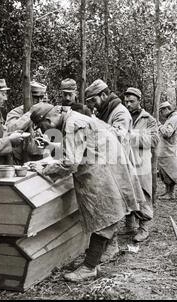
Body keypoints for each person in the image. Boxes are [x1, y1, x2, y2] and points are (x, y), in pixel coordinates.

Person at [28, 102, 144, 282]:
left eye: (43, 127)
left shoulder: (73, 123)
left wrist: (43, 168)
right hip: (107, 168)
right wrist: (51, 148)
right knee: (108, 215)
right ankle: (99, 257)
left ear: (48, 119)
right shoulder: (75, 118)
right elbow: (79, 149)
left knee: (103, 216)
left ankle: (90, 267)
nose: (44, 131)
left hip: (103, 172)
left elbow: (71, 163)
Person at [85, 79, 145, 257]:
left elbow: (117, 137)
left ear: (103, 95)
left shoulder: (120, 113)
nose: (92, 106)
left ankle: (112, 246)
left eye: (93, 101)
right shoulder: (105, 110)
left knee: (113, 206)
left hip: (118, 166)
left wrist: (94, 122)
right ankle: (110, 245)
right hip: (106, 165)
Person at [124, 87, 159, 242]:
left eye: (132, 101)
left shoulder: (148, 119)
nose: (129, 104)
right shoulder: (123, 116)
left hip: (141, 163)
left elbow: (154, 140)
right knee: (127, 192)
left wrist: (130, 136)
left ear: (139, 101)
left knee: (143, 194)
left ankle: (144, 228)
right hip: (125, 161)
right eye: (126, 101)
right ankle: (129, 225)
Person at [6, 81, 48, 163]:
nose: (39, 101)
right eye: (36, 97)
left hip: (39, 158)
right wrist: (29, 114)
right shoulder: (15, 112)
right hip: (19, 160)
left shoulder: (45, 112)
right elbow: (9, 130)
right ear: (28, 96)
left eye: (41, 97)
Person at [158, 101, 177, 200]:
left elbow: (167, 133)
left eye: (162, 110)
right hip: (166, 149)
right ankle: (167, 191)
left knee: (169, 172)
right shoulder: (172, 118)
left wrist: (159, 126)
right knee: (165, 171)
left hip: (168, 150)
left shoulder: (174, 119)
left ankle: (171, 193)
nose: (161, 113)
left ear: (167, 109)